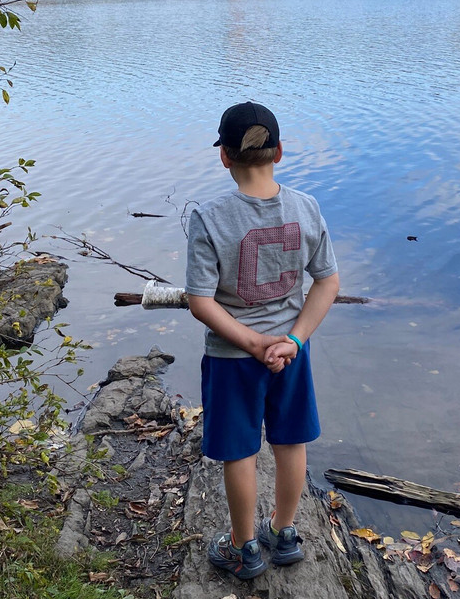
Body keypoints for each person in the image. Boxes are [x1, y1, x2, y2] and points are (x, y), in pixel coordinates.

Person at [185, 101, 340, 580]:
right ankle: (285, 532)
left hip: (235, 356)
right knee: (291, 441)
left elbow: (199, 300)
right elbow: (327, 282)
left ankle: (243, 546)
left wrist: (251, 342)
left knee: (240, 450)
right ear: (280, 151)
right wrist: (293, 340)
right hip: (291, 355)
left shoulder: (209, 218)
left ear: (224, 157)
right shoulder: (306, 207)